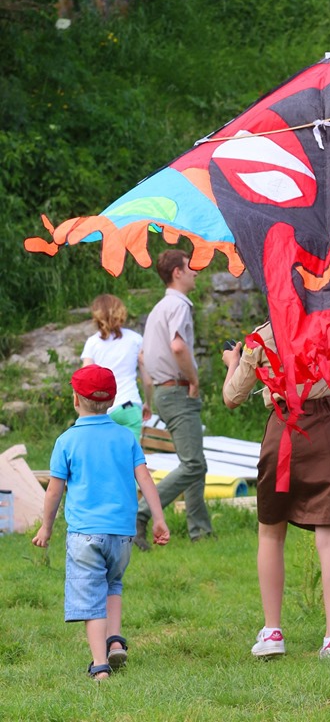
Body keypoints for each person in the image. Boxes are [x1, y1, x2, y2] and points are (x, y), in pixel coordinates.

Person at [222, 320, 330, 660]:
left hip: (283, 432)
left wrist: (233, 363)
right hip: (326, 429)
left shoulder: (262, 334)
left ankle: (272, 631)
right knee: (329, 535)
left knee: (271, 532)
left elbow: (232, 397)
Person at [32, 365, 169, 681]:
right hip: (122, 533)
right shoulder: (125, 437)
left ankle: (100, 666)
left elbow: (54, 491)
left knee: (90, 596)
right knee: (113, 583)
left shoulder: (67, 440)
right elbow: (145, 478)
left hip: (84, 534)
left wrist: (46, 527)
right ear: (113, 398)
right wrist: (158, 518)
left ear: (75, 399)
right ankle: (116, 640)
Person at [134, 249, 212, 549]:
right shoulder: (178, 305)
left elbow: (143, 356)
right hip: (177, 389)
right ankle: (140, 515)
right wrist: (193, 379)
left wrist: (151, 397)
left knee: (196, 462)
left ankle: (200, 531)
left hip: (165, 391)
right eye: (190, 267)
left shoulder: (159, 308)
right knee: (192, 464)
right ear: (177, 273)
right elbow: (178, 347)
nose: (196, 272)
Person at [81, 294, 152, 440]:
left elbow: (84, 380)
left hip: (103, 410)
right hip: (129, 405)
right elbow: (148, 381)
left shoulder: (92, 343)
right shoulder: (135, 339)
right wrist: (148, 403)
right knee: (131, 459)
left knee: (104, 458)